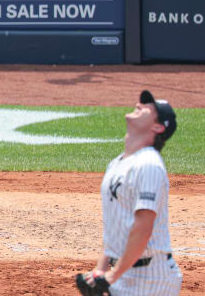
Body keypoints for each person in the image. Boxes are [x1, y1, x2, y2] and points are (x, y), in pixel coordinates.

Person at [76, 90, 182, 296]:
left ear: (157, 127)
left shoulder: (149, 165)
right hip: (122, 273)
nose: (140, 105)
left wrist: (111, 277)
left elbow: (143, 228)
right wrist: (100, 270)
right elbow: (115, 229)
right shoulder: (116, 164)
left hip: (151, 279)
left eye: (149, 107)